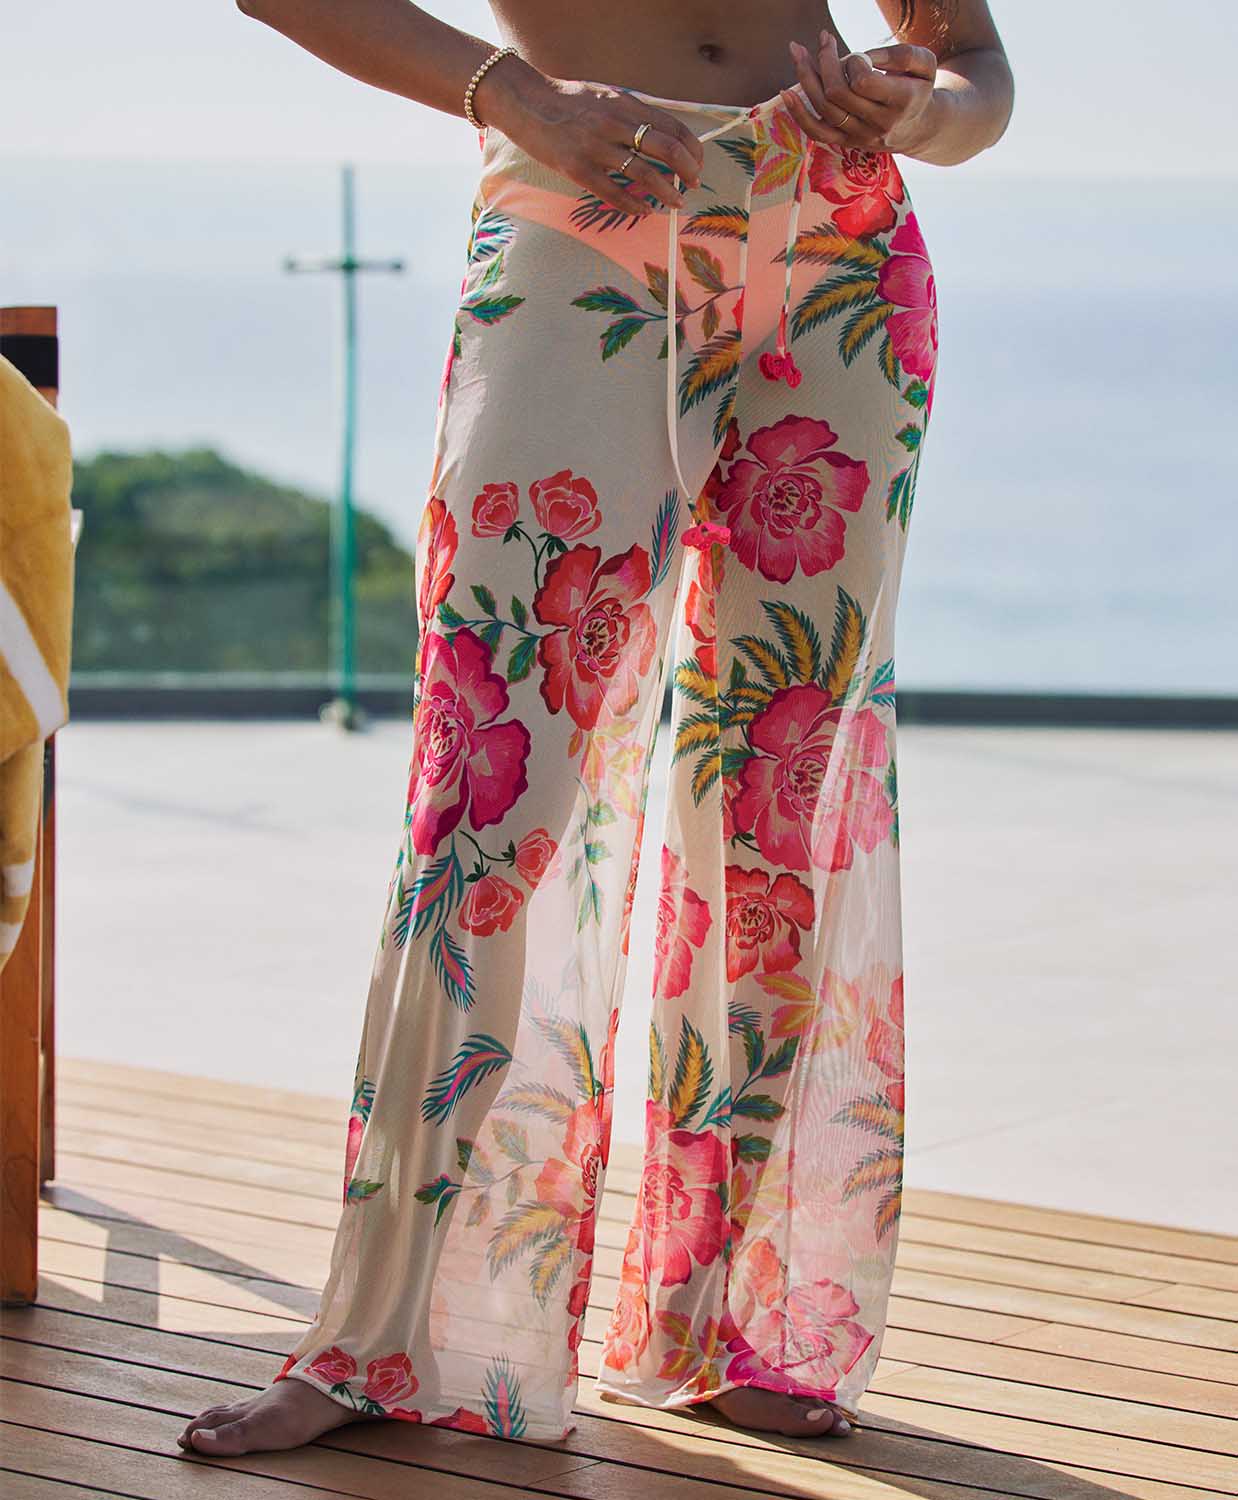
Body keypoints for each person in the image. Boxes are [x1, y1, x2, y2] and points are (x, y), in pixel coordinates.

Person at [177, 0, 1013, 1458]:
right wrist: (510, 94)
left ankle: (730, 1317)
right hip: (582, 206)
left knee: (782, 782)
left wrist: (917, 111)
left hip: (837, 244)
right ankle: (387, 1332)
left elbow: (976, 69)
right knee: (492, 792)